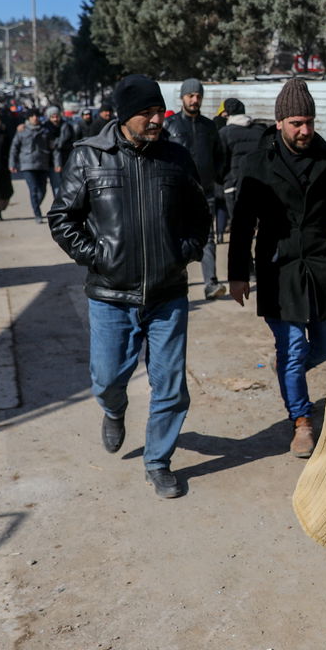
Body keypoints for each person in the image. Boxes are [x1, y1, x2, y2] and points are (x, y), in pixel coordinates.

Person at [49, 75, 212, 499]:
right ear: (125, 116)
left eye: (160, 111)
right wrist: (98, 256)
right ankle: (113, 409)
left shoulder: (176, 158)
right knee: (106, 378)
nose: (158, 119)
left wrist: (186, 251)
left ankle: (158, 461)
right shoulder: (88, 157)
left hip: (168, 293)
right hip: (110, 295)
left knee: (171, 385)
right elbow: (62, 218)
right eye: (148, 113)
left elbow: (200, 213)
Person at [228, 79, 326, 458]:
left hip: (319, 263)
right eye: (297, 122)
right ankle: (301, 420)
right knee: (293, 348)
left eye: (309, 121)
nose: (305, 130)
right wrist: (236, 273)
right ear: (280, 122)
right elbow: (243, 220)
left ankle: (288, 373)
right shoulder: (258, 162)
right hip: (279, 268)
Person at [164, 78, 227, 299]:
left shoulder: (209, 127)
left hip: (205, 193)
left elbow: (219, 156)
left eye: (198, 96)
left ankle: (211, 282)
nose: (194, 100)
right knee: (175, 237)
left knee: (207, 238)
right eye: (190, 96)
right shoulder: (170, 126)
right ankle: (175, 282)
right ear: (182, 98)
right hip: (177, 194)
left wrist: (214, 176)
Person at [218, 97, 265, 223]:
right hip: (259, 184)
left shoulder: (224, 132)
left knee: (239, 228)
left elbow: (221, 161)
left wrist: (222, 180)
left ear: (227, 113)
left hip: (233, 186)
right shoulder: (259, 130)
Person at [10, 108, 56, 223]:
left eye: (36, 116)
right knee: (33, 189)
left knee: (43, 190)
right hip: (27, 165)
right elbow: (14, 148)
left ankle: (35, 205)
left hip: (42, 164)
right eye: (32, 116)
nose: (35, 118)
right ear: (28, 118)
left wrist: (57, 162)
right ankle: (37, 214)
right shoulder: (22, 130)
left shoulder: (45, 130)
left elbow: (52, 147)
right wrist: (12, 163)